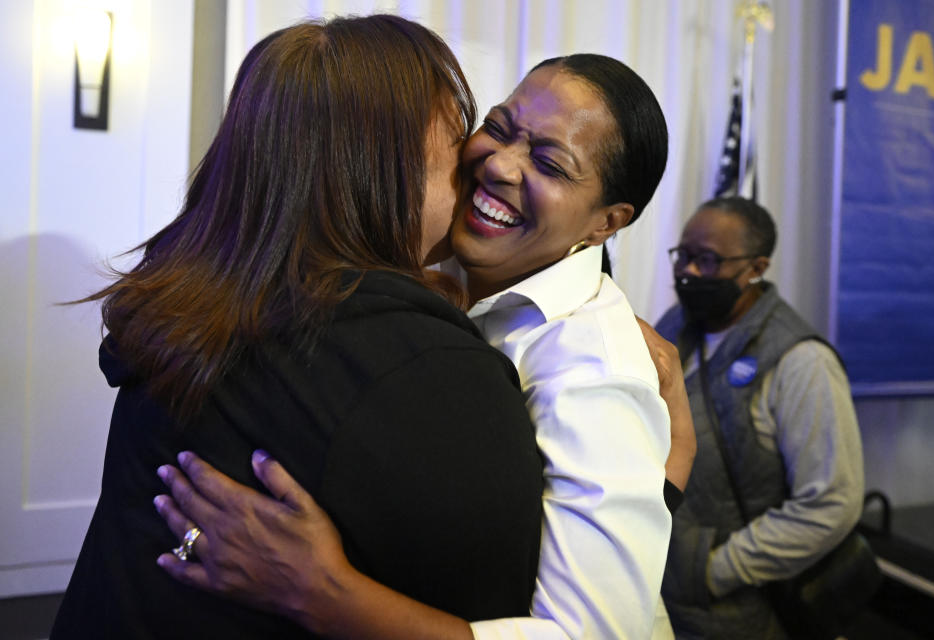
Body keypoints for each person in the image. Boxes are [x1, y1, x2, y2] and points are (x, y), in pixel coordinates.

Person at [154, 54, 690, 639]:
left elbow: (594, 635)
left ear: (605, 223)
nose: (500, 165)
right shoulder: (434, 257)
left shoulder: (591, 365)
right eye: (500, 128)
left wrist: (324, 593)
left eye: (548, 163)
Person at [50, 16, 547, 639]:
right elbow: (504, 610)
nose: (482, 166)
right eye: (458, 139)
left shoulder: (195, 298)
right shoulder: (424, 372)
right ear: (379, 166)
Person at [654, 197, 865, 639]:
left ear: (755, 268)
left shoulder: (802, 361)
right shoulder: (677, 323)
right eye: (684, 256)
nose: (689, 272)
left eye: (708, 260)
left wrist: (714, 570)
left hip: (735, 614)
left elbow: (831, 503)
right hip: (656, 595)